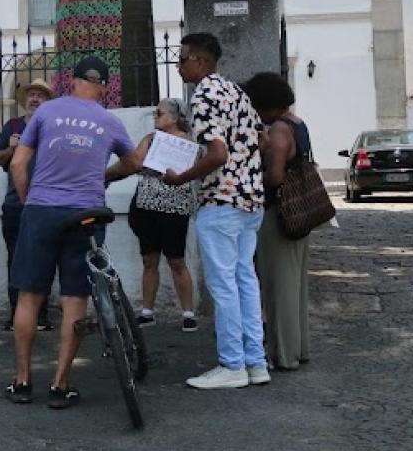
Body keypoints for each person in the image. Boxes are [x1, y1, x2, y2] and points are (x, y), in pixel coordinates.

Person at [5, 56, 145, 408]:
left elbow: (18, 164)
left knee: (29, 297)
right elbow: (134, 163)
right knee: (74, 299)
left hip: (42, 211)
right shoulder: (109, 121)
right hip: (86, 214)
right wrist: (104, 176)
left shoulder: (46, 113)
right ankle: (59, 385)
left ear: (71, 80)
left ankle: (22, 382)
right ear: (105, 87)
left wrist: (29, 202)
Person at [162, 33, 269, 390]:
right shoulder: (236, 92)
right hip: (250, 200)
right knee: (245, 282)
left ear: (201, 62)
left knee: (224, 287)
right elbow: (262, 139)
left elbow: (217, 154)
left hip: (220, 202)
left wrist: (181, 178)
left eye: (183, 59)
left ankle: (232, 366)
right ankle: (255, 363)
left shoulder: (204, 95)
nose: (179, 66)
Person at [242, 71, 313, 371]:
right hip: (300, 212)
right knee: (295, 285)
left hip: (278, 214)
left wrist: (260, 154)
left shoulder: (280, 130)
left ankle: (283, 354)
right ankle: (299, 348)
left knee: (277, 288)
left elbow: (275, 176)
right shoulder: (298, 124)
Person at [127, 97, 198, 331]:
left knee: (176, 259)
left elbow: (193, 169)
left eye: (160, 113)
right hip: (146, 205)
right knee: (149, 258)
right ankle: (147, 311)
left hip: (174, 208)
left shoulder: (188, 143)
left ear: (175, 117)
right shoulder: (150, 139)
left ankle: (188, 312)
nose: (156, 116)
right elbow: (136, 162)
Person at [0, 78, 55, 333]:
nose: (35, 98)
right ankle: (16, 313)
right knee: (16, 259)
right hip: (15, 205)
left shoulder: (52, 127)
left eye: (40, 94)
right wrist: (10, 148)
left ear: (47, 101)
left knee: (45, 258)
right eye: (31, 94)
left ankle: (41, 314)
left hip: (47, 204)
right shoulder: (13, 126)